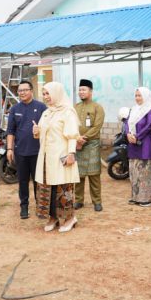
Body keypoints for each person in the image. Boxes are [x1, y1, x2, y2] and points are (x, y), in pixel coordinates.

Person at [33, 82, 80, 232]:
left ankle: (69, 218)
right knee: (47, 189)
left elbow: (73, 135)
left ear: (57, 93)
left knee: (62, 187)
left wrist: (71, 153)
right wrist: (36, 131)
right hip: (46, 159)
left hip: (61, 156)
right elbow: (41, 133)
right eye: (44, 94)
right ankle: (52, 218)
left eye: (48, 94)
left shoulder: (68, 112)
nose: (46, 97)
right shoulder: (46, 113)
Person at [6, 80, 47, 219]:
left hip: (38, 152)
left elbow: (47, 129)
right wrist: (9, 149)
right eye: (20, 91)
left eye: (25, 90)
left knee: (38, 181)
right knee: (22, 181)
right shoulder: (15, 109)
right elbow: (10, 131)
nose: (22, 93)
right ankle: (24, 207)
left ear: (31, 91)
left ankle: (40, 206)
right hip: (20, 152)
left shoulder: (41, 107)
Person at [74, 79, 105, 211]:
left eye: (84, 90)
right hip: (78, 144)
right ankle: (79, 200)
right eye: (80, 90)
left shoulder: (97, 107)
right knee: (78, 175)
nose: (81, 92)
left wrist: (84, 138)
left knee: (94, 175)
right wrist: (77, 139)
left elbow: (97, 127)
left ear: (90, 91)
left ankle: (97, 201)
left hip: (92, 144)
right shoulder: (76, 107)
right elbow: (72, 124)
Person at [125, 87, 151, 206]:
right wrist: (128, 134)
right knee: (134, 171)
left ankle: (147, 199)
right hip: (133, 144)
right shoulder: (134, 109)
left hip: (146, 144)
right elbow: (127, 123)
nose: (137, 98)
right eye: (136, 95)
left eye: (140, 95)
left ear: (146, 96)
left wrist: (137, 136)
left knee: (146, 172)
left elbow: (149, 126)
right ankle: (136, 197)